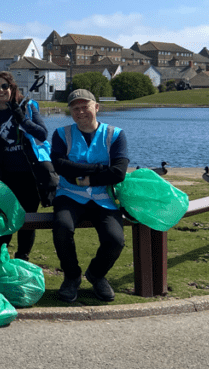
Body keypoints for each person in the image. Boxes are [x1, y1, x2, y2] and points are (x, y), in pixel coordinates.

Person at [51, 89, 129, 303]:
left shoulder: (115, 134)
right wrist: (98, 168)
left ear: (96, 107)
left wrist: (87, 178)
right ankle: (72, 276)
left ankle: (96, 275)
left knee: (115, 240)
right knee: (62, 228)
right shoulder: (61, 133)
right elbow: (60, 166)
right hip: (69, 195)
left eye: (85, 106)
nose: (80, 111)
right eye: (75, 108)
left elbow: (119, 172)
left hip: (104, 197)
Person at [0, 71, 49, 262]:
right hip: (4, 176)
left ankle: (22, 259)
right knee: (3, 218)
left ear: (12, 88)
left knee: (27, 220)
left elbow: (42, 134)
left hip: (29, 174)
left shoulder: (28, 107)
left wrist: (23, 120)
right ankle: (1, 259)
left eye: (4, 86)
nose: (0, 90)